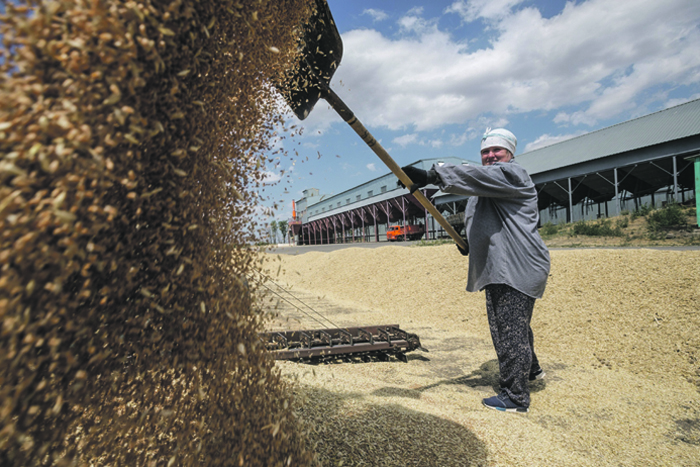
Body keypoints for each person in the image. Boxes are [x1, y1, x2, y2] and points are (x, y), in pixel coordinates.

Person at [400, 128, 550, 413]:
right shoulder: (484, 190)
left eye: (497, 150)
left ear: (510, 154)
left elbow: (474, 176)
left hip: (516, 265)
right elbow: (482, 220)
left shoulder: (512, 174)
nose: (491, 156)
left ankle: (516, 397)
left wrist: (432, 175)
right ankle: (531, 371)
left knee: (508, 330)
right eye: (486, 151)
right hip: (505, 265)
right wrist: (468, 241)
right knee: (517, 325)